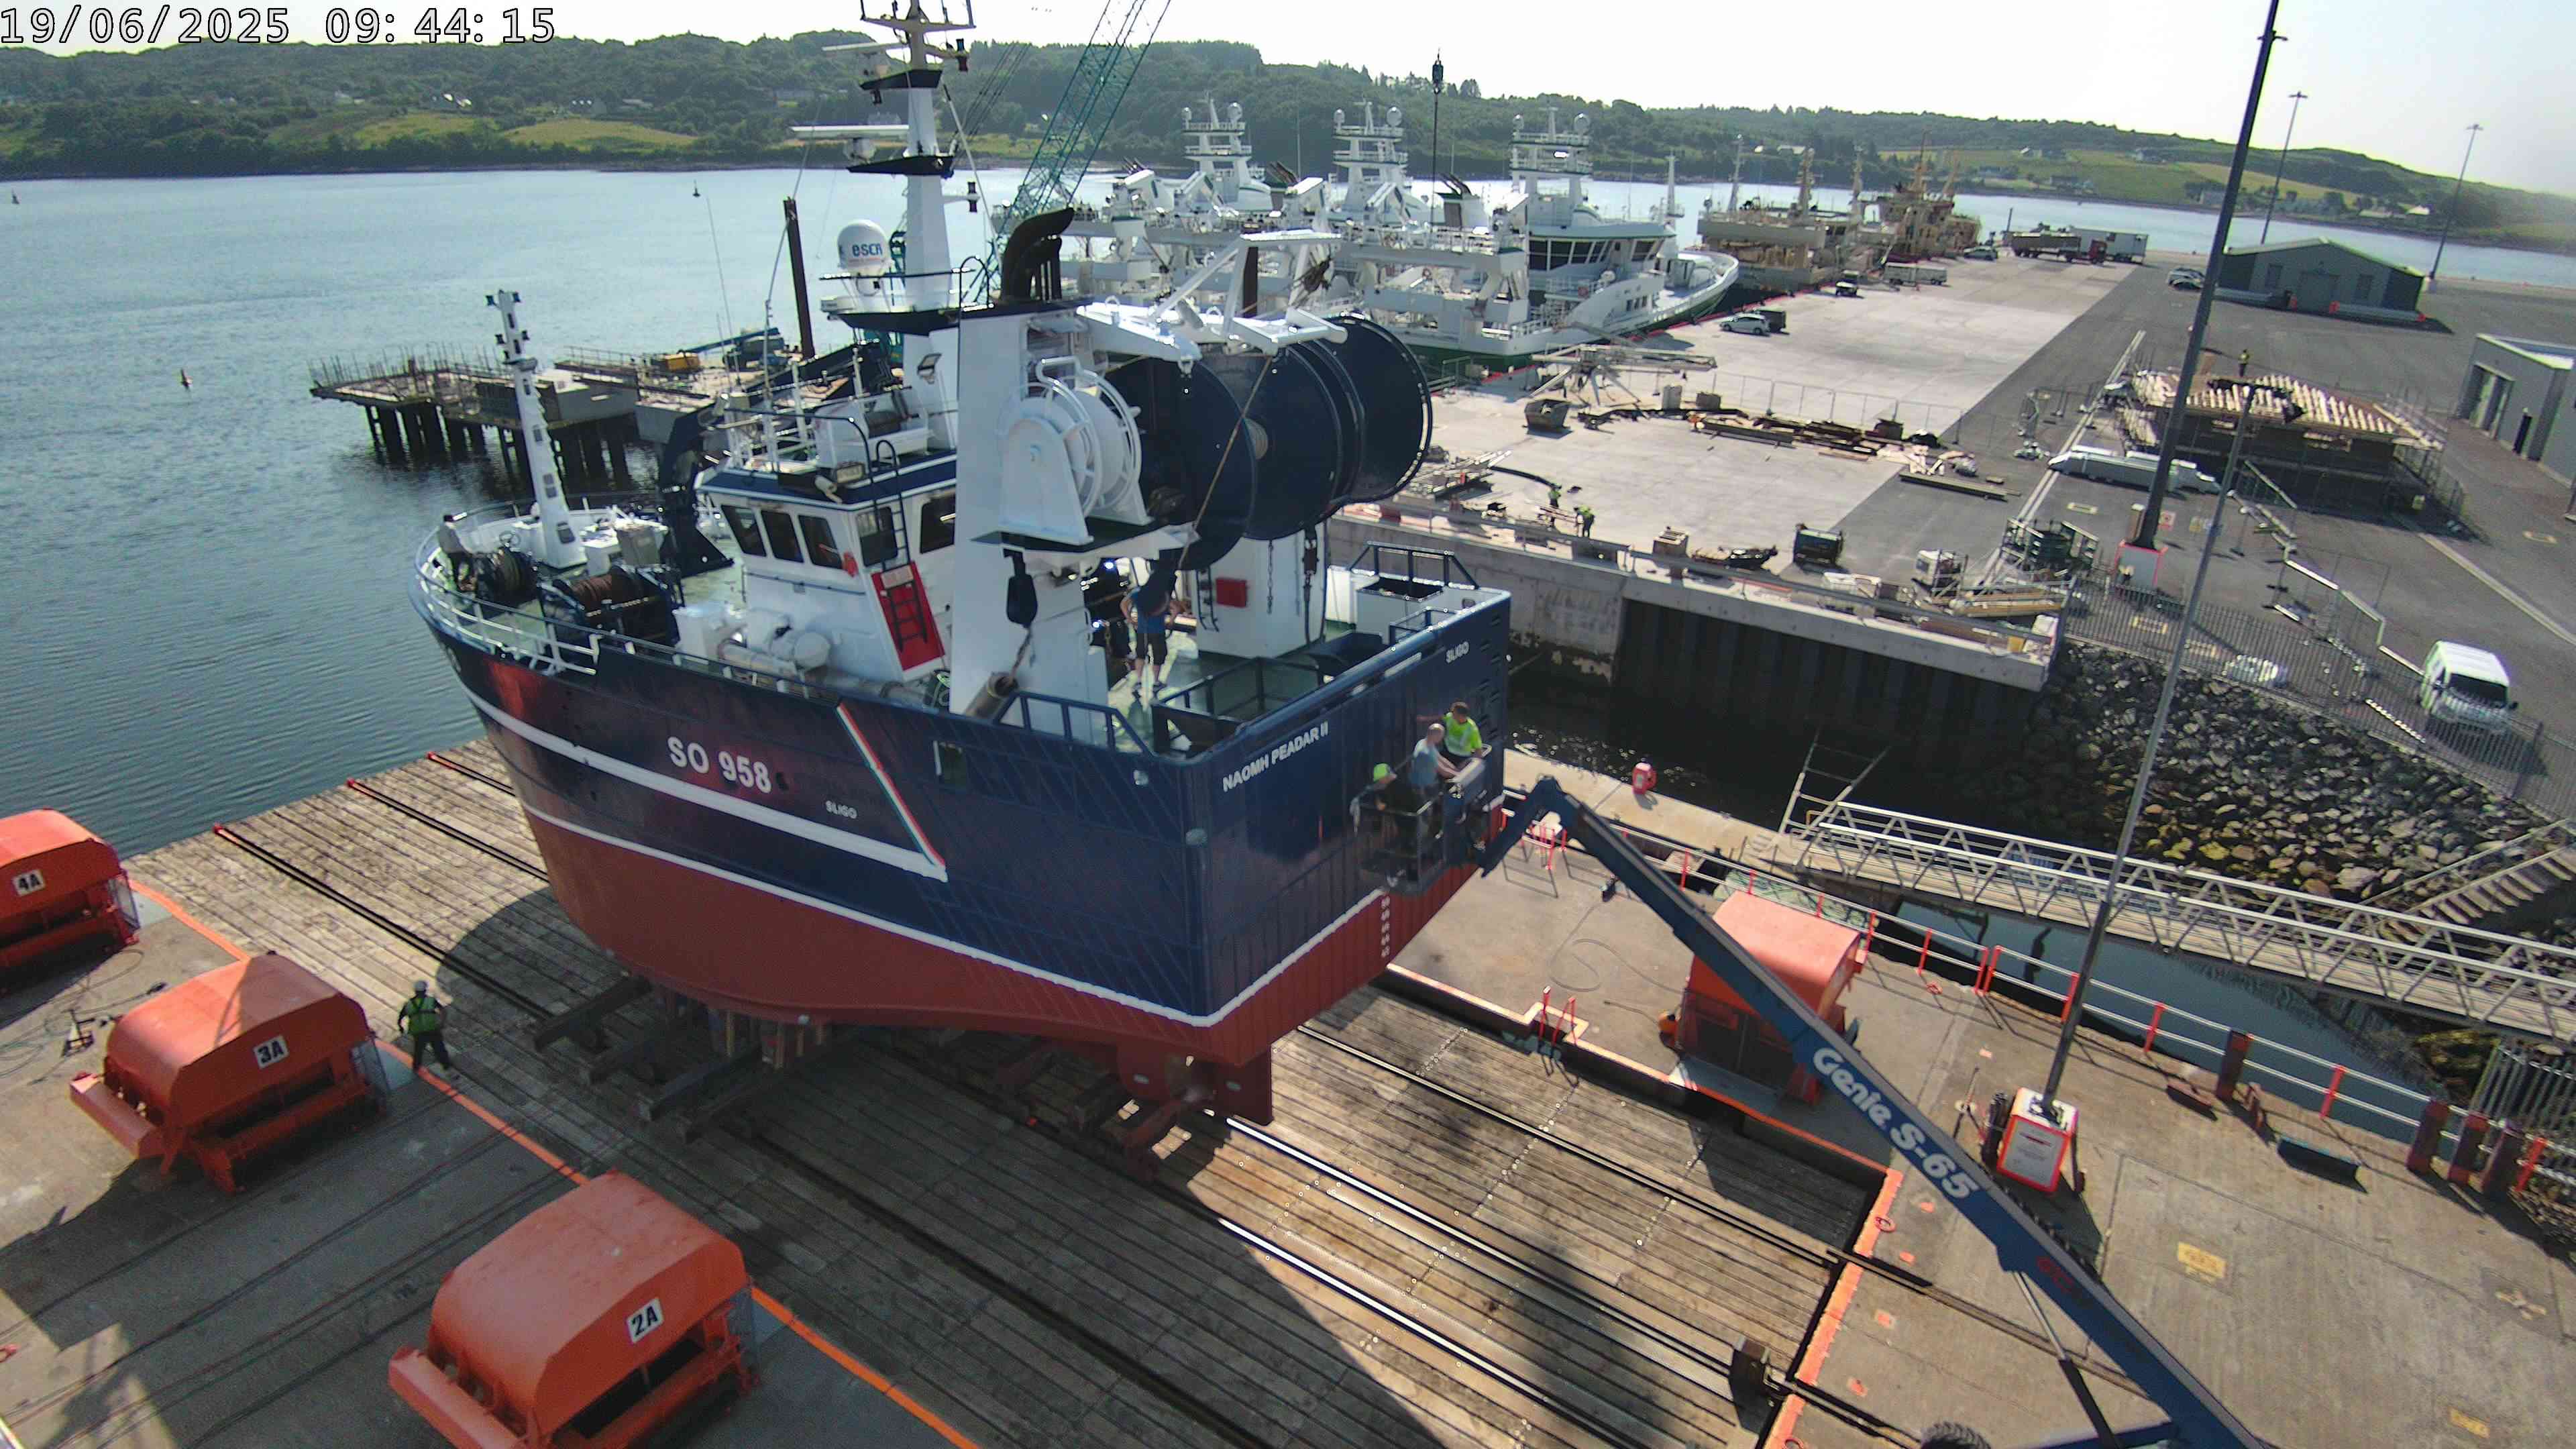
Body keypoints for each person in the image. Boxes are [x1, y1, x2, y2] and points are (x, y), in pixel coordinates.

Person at [398, 981, 453, 1072]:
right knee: (439, 1048)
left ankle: (416, 1068)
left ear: (415, 991)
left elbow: (400, 1018)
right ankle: (446, 1065)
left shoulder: (409, 1004)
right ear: (425, 990)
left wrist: (401, 1028)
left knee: (418, 1051)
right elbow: (443, 1011)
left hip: (418, 1032)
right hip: (432, 1029)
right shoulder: (431, 1001)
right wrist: (442, 1023)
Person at [1440, 700, 1486, 767]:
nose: (1451, 714)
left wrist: (1467, 764)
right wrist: (1425, 719)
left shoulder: (1472, 729)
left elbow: (1478, 751)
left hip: (1461, 758)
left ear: (1460, 716)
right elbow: (1441, 718)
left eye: (1453, 712)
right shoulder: (1450, 717)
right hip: (1447, 751)